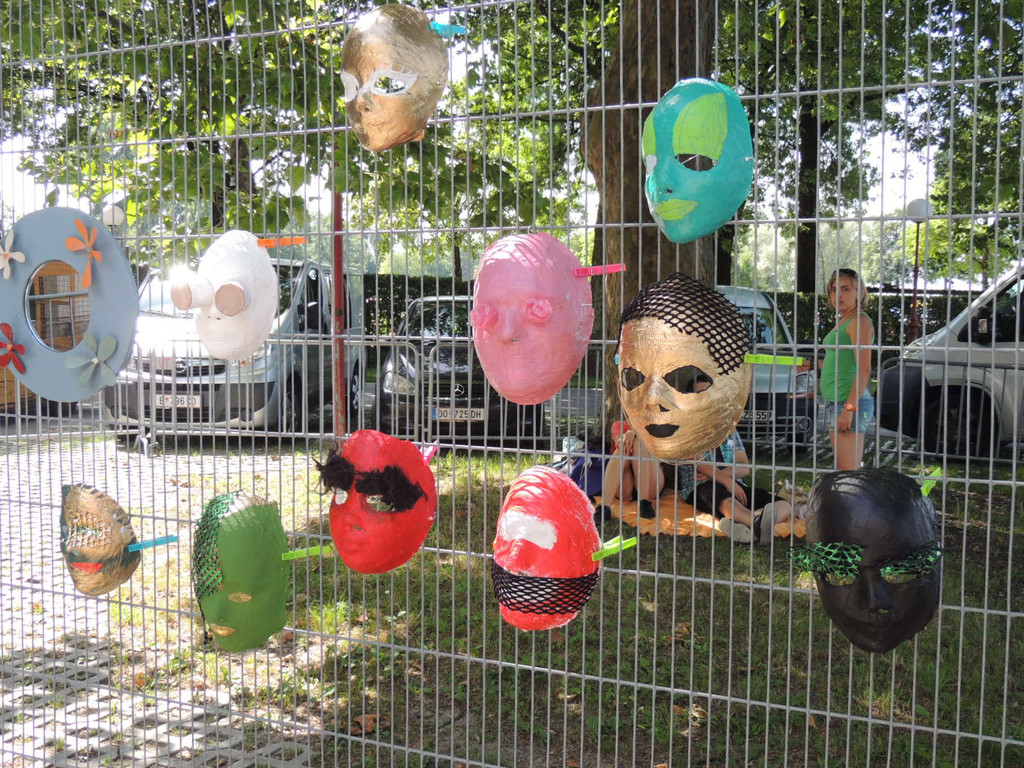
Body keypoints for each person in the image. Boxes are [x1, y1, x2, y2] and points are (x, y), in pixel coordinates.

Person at [602, 421, 796, 544]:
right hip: (702, 486)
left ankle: (751, 525)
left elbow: (744, 467)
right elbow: (697, 464)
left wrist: (726, 477)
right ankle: (755, 522)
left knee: (783, 504)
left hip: (735, 484)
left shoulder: (729, 429)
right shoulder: (688, 428)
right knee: (720, 497)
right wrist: (632, 433)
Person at [803, 268, 876, 470]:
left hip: (848, 402)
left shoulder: (859, 321)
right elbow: (838, 361)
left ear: (859, 292)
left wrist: (849, 409)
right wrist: (811, 365)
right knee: (846, 470)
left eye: (845, 289)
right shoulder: (845, 320)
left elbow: (864, 368)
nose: (838, 295)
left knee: (848, 472)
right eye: (834, 290)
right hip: (838, 401)